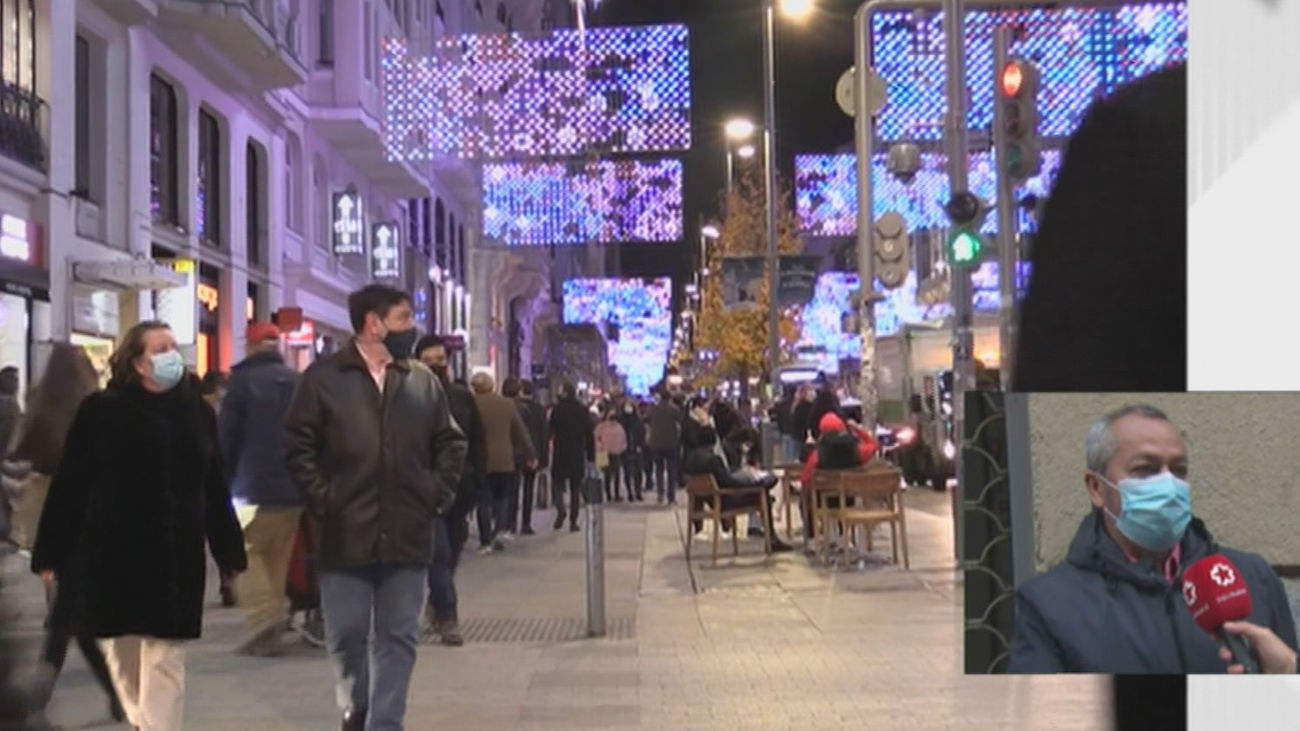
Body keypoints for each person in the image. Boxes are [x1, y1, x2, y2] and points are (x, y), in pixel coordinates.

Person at [31, 321, 247, 731]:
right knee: (122, 654)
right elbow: (71, 484)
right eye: (160, 348)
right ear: (138, 363)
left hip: (175, 555)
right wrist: (51, 552)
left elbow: (214, 484)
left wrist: (228, 550)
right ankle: (139, 719)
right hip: (114, 554)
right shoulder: (101, 411)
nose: (171, 356)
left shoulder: (196, 413)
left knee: (165, 656)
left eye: (172, 347)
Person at [283, 285, 467, 730]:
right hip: (345, 531)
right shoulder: (324, 379)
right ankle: (356, 705)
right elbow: (298, 446)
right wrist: (325, 498)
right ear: (374, 322)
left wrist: (435, 493)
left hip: (407, 530)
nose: (413, 328)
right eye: (404, 318)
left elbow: (451, 441)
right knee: (345, 633)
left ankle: (385, 722)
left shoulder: (421, 380)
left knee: (398, 636)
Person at [1007, 404, 1297, 674]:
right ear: (1096, 487)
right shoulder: (1049, 604)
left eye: (1179, 470)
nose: (1168, 484)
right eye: (1145, 469)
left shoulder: (1253, 577)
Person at [8, 344, 121, 724]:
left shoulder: (41, 409)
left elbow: (18, 458)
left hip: (51, 522)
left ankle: (53, 695)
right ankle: (45, 698)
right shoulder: (100, 408)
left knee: (70, 611)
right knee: (71, 611)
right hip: (93, 520)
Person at [219, 322, 302, 657]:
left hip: (250, 487)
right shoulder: (299, 381)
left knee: (244, 555)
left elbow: (228, 439)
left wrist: (219, 484)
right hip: (294, 489)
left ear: (251, 346)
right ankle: (274, 616)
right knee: (277, 558)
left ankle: (263, 620)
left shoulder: (241, 384)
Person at [415, 335, 485, 648]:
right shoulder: (409, 397)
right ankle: (448, 617)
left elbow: (477, 440)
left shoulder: (461, 397)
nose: (436, 367)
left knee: (452, 552)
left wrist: (477, 479)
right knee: (438, 554)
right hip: (426, 489)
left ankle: (437, 600)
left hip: (460, 488)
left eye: (440, 361)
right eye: (429, 362)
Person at [681, 427, 792, 552]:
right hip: (723, 500)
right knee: (764, 494)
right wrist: (750, 485)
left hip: (710, 499)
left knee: (764, 491)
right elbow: (727, 482)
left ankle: (771, 536)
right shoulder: (713, 460)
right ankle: (771, 539)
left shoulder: (690, 459)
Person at [470, 372, 535, 553]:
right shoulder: (506, 405)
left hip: (481, 460)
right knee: (502, 498)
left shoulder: (471, 405)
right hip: (504, 459)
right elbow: (521, 431)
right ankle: (499, 530)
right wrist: (531, 453)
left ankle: (485, 541)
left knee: (483, 500)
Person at [799, 413, 879, 544]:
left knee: (806, 495)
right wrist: (856, 429)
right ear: (842, 429)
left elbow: (805, 479)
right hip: (849, 500)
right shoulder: (857, 450)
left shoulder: (818, 454)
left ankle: (812, 537)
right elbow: (874, 445)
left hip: (824, 502)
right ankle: (843, 535)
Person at [548, 379, 594, 531]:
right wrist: (591, 455)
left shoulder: (557, 409)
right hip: (577, 452)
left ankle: (561, 509)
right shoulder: (582, 410)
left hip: (561, 451)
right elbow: (589, 434)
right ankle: (573, 521)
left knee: (556, 483)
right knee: (575, 488)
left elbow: (550, 430)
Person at [514, 380, 549, 532]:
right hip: (533, 453)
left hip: (515, 453)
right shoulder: (539, 410)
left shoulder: (514, 407)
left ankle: (511, 522)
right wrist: (543, 457)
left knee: (513, 489)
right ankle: (526, 523)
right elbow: (544, 435)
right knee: (528, 488)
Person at [646, 391, 681, 504]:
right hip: (671, 442)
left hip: (656, 443)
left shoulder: (653, 409)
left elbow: (647, 419)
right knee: (671, 470)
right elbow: (681, 421)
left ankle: (660, 494)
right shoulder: (674, 409)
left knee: (659, 469)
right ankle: (671, 496)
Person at [594, 409, 628, 502]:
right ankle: (615, 494)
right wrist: (621, 449)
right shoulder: (619, 427)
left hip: (604, 453)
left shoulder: (601, 426)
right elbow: (624, 440)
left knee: (607, 474)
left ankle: (609, 494)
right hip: (615, 453)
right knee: (615, 474)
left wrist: (600, 447)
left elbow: (595, 438)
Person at [618, 398, 646, 502]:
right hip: (633, 449)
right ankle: (635, 492)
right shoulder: (637, 421)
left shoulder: (621, 421)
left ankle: (633, 492)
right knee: (636, 472)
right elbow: (642, 433)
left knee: (630, 472)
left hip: (628, 449)